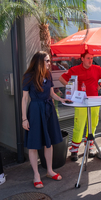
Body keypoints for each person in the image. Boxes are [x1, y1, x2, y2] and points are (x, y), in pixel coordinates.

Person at [22, 51, 69, 188]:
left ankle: (49, 170)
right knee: (34, 143)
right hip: (35, 110)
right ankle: (36, 175)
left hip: (49, 110)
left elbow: (52, 93)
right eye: (47, 61)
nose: (50, 63)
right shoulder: (28, 76)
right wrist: (24, 118)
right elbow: (25, 99)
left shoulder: (48, 75)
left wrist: (61, 99)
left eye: (49, 60)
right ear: (39, 62)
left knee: (49, 142)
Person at [59, 52, 101, 161]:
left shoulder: (96, 68)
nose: (90, 60)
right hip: (80, 101)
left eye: (92, 58)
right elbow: (61, 78)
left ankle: (90, 146)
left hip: (94, 101)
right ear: (82, 58)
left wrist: (100, 85)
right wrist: (70, 87)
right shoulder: (75, 69)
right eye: (88, 58)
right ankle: (75, 149)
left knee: (93, 124)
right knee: (79, 125)